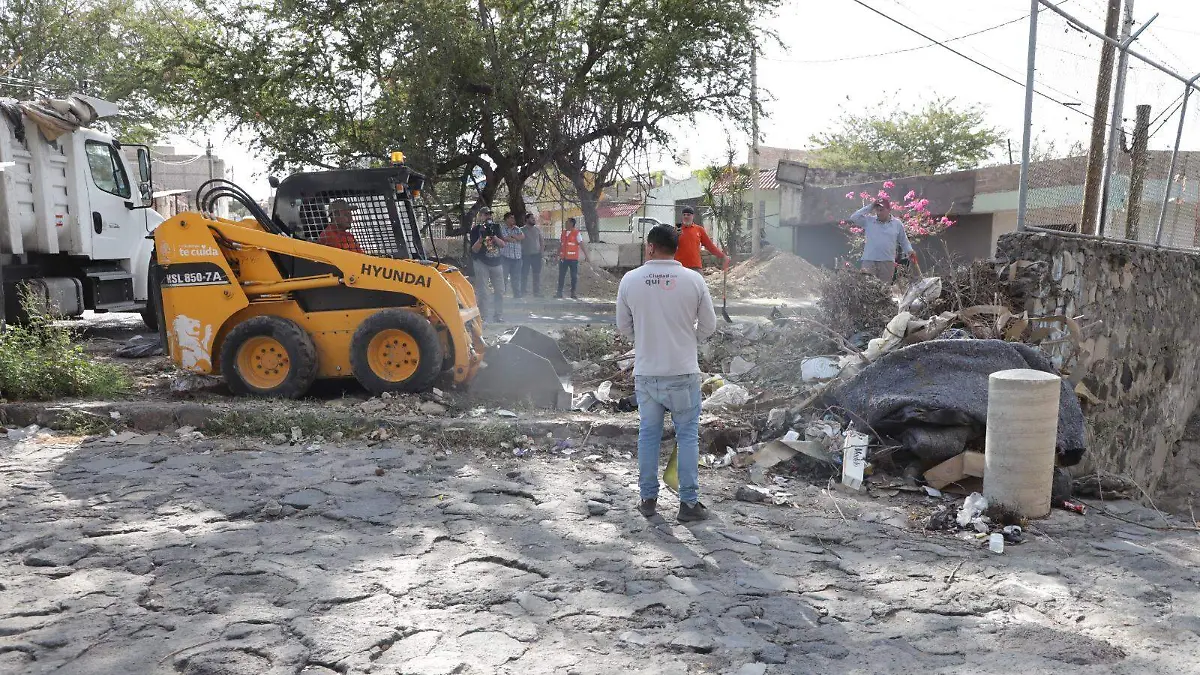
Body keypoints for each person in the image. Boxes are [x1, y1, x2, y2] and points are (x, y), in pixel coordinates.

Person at [617, 224, 718, 523]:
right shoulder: (693, 280)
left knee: (648, 435)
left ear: (650, 247)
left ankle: (648, 500)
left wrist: (648, 340)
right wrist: (687, 341)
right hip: (683, 372)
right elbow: (709, 326)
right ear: (677, 248)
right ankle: (688, 504)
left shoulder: (630, 280)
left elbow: (624, 328)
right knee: (687, 436)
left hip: (647, 373)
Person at [848, 198, 917, 284]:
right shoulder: (869, 221)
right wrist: (870, 206)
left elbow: (904, 241)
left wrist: (909, 251)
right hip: (869, 261)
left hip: (887, 261)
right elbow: (854, 217)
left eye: (881, 210)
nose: (879, 213)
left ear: (889, 210)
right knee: (867, 288)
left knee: (884, 290)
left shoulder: (897, 224)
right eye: (877, 210)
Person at [469, 207, 506, 322]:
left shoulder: (496, 227)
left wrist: (494, 236)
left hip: (496, 262)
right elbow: (474, 250)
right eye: (486, 214)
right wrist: (481, 239)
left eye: (490, 214)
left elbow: (503, 244)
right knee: (483, 291)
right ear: (481, 216)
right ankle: (483, 316)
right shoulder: (475, 230)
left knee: (500, 290)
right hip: (481, 262)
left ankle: (498, 315)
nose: (488, 216)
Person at [674, 206, 726, 272]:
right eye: (684, 215)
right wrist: (675, 235)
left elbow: (710, 246)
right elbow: (669, 247)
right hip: (679, 266)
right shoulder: (676, 230)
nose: (686, 217)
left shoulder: (699, 229)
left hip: (695, 266)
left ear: (693, 216)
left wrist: (722, 256)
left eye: (688, 215)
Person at [555, 217, 588, 299]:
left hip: (573, 259)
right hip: (563, 258)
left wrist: (586, 255)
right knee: (561, 276)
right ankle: (559, 293)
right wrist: (557, 255)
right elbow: (560, 245)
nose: (565, 223)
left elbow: (581, 244)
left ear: (571, 224)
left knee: (573, 276)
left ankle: (573, 293)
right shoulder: (563, 233)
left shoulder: (576, 233)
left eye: (567, 222)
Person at [499, 212, 525, 298]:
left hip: (517, 258)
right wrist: (515, 238)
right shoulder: (502, 229)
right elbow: (505, 238)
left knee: (516, 277)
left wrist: (513, 235)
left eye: (513, 218)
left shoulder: (517, 229)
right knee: (504, 277)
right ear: (506, 219)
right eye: (511, 218)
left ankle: (517, 295)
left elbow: (522, 237)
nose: (513, 219)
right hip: (506, 258)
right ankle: (502, 295)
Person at [520, 212, 544, 297]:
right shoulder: (522, 230)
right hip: (525, 255)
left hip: (536, 255)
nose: (534, 219)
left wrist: (541, 252)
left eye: (534, 218)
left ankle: (536, 292)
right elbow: (519, 242)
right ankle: (523, 291)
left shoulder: (537, 230)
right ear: (527, 220)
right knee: (524, 274)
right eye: (532, 218)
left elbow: (541, 241)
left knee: (536, 274)